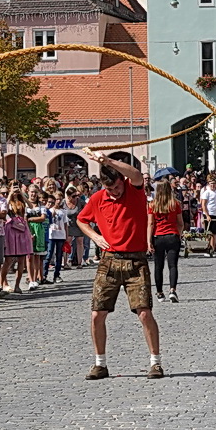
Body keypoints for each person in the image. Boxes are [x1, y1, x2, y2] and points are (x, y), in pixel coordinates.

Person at [74, 152, 163, 380]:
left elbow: (135, 173)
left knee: (144, 313)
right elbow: (81, 220)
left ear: (121, 181)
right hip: (109, 260)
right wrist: (95, 237)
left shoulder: (134, 190)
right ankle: (100, 364)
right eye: (109, 189)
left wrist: (108, 161)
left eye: (116, 188)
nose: (114, 192)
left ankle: (155, 362)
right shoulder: (98, 199)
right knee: (97, 314)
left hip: (136, 260)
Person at [149, 180, 184, 303]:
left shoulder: (152, 205)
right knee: (172, 265)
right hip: (172, 236)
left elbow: (151, 224)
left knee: (158, 266)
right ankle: (172, 290)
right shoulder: (175, 204)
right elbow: (180, 223)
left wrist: (149, 241)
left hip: (158, 236)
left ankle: (159, 293)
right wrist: (178, 234)